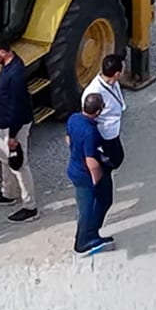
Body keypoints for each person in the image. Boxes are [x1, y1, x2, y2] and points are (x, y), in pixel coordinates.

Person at [0, 35, 38, 224]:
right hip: (5, 123)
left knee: (19, 164)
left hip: (14, 126)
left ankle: (30, 206)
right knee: (5, 160)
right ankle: (8, 193)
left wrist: (12, 136)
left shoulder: (15, 75)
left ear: (3, 52)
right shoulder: (9, 66)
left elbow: (17, 107)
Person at [66, 93, 113, 256]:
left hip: (73, 168)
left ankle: (89, 234)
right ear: (98, 111)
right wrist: (97, 180)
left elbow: (68, 139)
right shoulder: (90, 131)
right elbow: (91, 162)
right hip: (85, 175)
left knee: (89, 206)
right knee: (89, 208)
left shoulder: (73, 119)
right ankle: (83, 242)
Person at [83, 54, 127, 193]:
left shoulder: (112, 82)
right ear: (117, 74)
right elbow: (89, 116)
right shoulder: (94, 92)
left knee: (117, 158)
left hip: (113, 130)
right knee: (113, 161)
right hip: (106, 134)